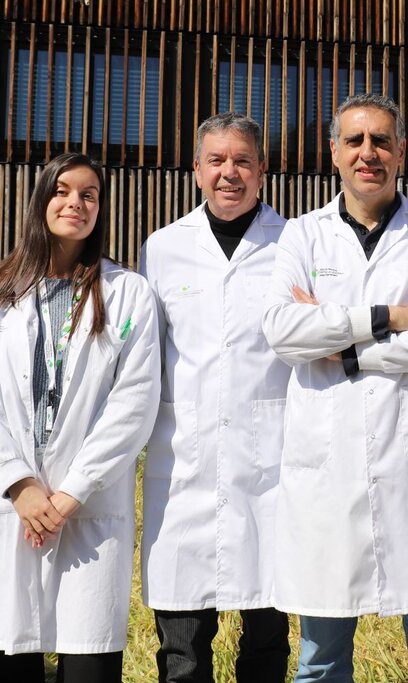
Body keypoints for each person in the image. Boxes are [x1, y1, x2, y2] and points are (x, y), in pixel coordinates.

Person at [261, 93, 408, 682]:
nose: (369, 153)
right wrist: (391, 315)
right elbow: (284, 332)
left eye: (381, 140)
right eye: (355, 141)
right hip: (327, 475)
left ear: (401, 152)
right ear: (333, 152)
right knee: (319, 662)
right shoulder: (301, 236)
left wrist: (348, 348)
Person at [139, 112, 291, 683]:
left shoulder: (293, 243)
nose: (230, 172)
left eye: (243, 160)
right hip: (185, 465)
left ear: (263, 169)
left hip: (270, 464)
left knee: (268, 640)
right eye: (218, 160)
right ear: (197, 168)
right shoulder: (163, 248)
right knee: (182, 650)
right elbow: (143, 358)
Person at [0, 153, 160, 682]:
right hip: (12, 510)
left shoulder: (128, 292)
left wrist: (71, 493)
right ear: (41, 200)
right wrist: (18, 483)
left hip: (89, 511)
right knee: (12, 655)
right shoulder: (3, 293)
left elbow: (135, 401)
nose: (75, 203)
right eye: (63, 190)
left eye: (89, 194)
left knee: (88, 667)